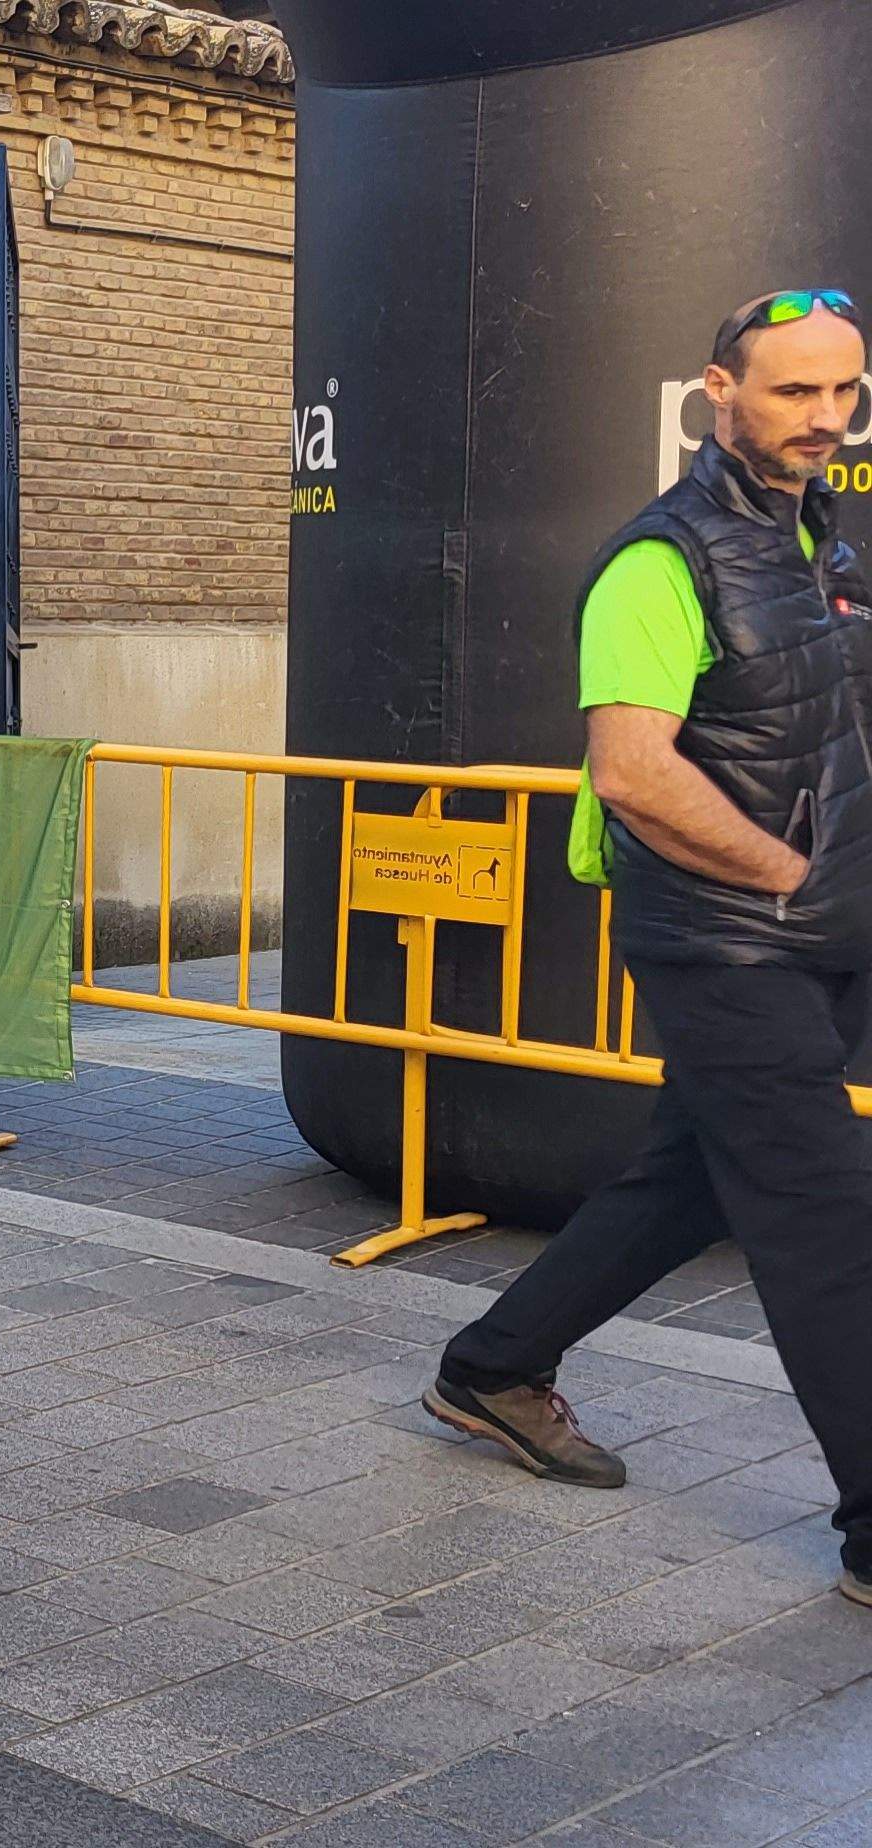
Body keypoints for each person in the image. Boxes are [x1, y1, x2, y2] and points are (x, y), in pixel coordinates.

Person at [430, 290, 872, 1608]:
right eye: (793, 392)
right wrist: (798, 878)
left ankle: (492, 1367)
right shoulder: (658, 562)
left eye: (845, 393)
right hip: (725, 940)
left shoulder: (817, 543)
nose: (825, 420)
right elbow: (632, 774)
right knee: (826, 1219)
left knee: (692, 1176)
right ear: (716, 392)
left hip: (820, 931)